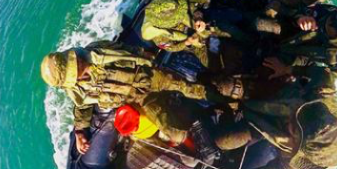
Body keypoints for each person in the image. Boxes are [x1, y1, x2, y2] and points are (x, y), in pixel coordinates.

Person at [208, 69, 337, 169]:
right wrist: (288, 68)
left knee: (222, 141)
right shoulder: (325, 97)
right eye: (299, 123)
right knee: (226, 86)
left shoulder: (294, 168)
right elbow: (320, 71)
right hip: (289, 100)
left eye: (296, 130)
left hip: (276, 126)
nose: (294, 125)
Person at [40, 40, 210, 154]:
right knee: (173, 133)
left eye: (75, 63)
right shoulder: (79, 90)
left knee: (188, 87)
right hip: (140, 99)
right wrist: (79, 131)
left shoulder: (97, 50)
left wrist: (146, 55)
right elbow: (82, 106)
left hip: (148, 76)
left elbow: (125, 49)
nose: (79, 66)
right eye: (74, 72)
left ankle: (216, 96)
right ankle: (195, 130)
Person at [260, 4, 337, 80]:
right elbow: (303, 10)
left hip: (307, 56)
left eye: (325, 31)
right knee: (259, 24)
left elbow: (323, 75)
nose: (320, 28)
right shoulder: (333, 13)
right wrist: (301, 18)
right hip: (301, 33)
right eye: (323, 24)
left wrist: (287, 70)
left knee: (267, 72)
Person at [140, 0, 228, 67]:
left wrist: (198, 19)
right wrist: (187, 42)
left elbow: (194, 9)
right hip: (193, 44)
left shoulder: (173, 2)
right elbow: (172, 48)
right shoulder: (157, 36)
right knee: (213, 64)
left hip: (204, 29)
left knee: (227, 33)